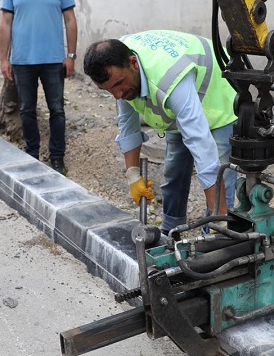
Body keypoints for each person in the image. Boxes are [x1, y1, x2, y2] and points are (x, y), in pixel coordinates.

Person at [83, 30, 237, 233]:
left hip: (220, 94)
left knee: (221, 173)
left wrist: (219, 216)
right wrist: (132, 175)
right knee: (174, 169)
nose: (117, 95)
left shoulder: (169, 79)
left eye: (119, 85)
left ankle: (216, 236)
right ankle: (171, 230)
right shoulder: (118, 61)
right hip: (181, 100)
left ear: (133, 63)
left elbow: (201, 145)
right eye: (109, 90)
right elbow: (127, 123)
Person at [0, 0, 77, 175]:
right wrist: (4, 59)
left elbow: (70, 20)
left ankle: (57, 157)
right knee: (27, 110)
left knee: (57, 110)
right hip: (22, 61)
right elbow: (5, 24)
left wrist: (71, 56)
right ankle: (32, 154)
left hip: (54, 61)